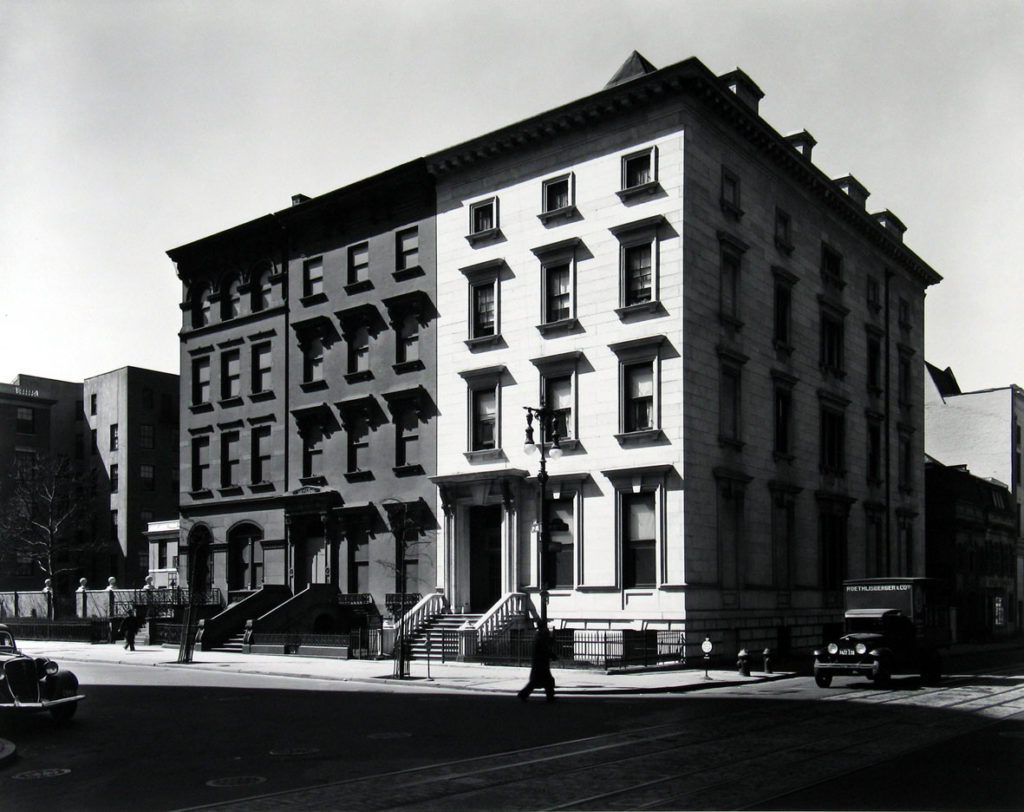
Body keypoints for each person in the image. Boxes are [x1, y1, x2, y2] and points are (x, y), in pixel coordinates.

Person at [518, 625, 558, 702]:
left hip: (539, 663)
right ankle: (523, 694)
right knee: (544, 681)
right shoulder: (540, 638)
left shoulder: (539, 637)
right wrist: (552, 655)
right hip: (540, 664)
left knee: (542, 681)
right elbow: (545, 649)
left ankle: (549, 696)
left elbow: (548, 644)